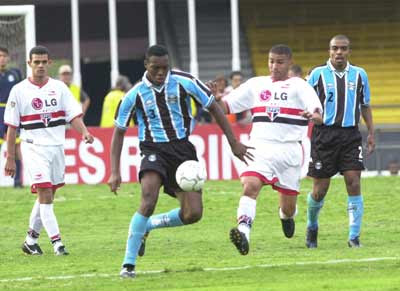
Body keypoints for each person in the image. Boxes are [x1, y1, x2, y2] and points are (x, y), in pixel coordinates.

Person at [108, 44, 253, 278]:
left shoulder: (185, 81)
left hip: (183, 150)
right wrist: (114, 171)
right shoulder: (133, 95)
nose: (161, 72)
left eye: (165, 67)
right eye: (156, 68)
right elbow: (119, 132)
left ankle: (148, 226)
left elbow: (214, 108)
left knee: (193, 214)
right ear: (146, 65)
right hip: (153, 149)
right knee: (148, 197)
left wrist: (233, 142)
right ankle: (128, 265)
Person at [210, 44, 323, 255]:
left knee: (288, 207)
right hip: (259, 147)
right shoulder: (255, 84)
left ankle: (285, 216)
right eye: (271, 61)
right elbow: (226, 107)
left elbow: (317, 112)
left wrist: (314, 117)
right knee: (250, 185)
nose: (274, 66)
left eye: (280, 62)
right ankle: (243, 232)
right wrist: (216, 100)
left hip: (289, 151)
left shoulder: (299, 86)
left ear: (289, 63)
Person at [4, 46, 94, 256]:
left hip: (56, 148)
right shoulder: (19, 90)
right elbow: (11, 127)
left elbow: (73, 116)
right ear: (29, 64)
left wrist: (85, 132)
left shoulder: (60, 88)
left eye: (44, 62)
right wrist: (10, 158)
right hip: (33, 147)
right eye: (37, 62)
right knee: (44, 192)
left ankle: (30, 240)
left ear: (49, 63)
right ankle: (57, 244)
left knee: (48, 194)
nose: (41, 65)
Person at [305, 34, 375, 248]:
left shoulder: (360, 75)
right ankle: (312, 226)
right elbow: (305, 101)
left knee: (354, 182)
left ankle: (354, 237)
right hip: (323, 135)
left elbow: (365, 105)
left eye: (343, 49)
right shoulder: (317, 75)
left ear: (348, 51)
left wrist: (371, 133)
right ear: (329, 50)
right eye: (335, 48)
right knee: (320, 189)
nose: (339, 52)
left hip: (350, 135)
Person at [0, 46, 23, 187]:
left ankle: (18, 181)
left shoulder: (14, 74)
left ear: (8, 58)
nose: (2, 58)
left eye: (4, 56)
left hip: (11, 111)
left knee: (15, 147)